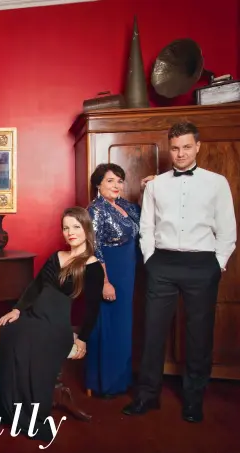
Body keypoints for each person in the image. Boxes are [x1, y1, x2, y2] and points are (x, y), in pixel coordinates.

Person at [0, 207, 106, 442]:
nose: (70, 232)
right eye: (65, 228)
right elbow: (35, 287)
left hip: (53, 327)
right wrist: (17, 309)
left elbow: (93, 308)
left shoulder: (92, 266)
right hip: (32, 318)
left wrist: (82, 339)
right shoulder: (56, 257)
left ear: (86, 229)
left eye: (75, 227)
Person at [123, 121, 236, 422]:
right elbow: (146, 226)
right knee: (152, 331)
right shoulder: (156, 184)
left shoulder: (217, 182)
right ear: (169, 149)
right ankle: (147, 396)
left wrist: (217, 263)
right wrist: (150, 259)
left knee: (199, 335)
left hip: (202, 264)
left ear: (197, 146)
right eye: (175, 148)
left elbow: (227, 229)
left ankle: (193, 399)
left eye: (187, 147)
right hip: (162, 263)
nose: (181, 153)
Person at [86, 163, 140, 398]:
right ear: (98, 184)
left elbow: (143, 219)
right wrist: (105, 282)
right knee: (107, 325)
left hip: (128, 271)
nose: (116, 185)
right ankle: (104, 382)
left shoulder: (125, 205)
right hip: (110, 271)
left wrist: (149, 189)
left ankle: (122, 378)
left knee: (123, 326)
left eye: (119, 180)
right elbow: (94, 248)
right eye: (110, 181)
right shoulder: (96, 209)